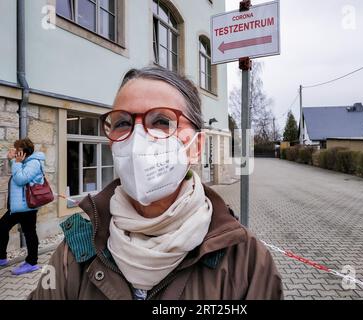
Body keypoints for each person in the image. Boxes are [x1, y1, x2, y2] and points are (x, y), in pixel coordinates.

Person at [29, 67, 283, 300]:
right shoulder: (75, 252)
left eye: (161, 121)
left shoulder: (246, 261)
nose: (138, 139)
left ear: (196, 147)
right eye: (123, 123)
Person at [0, 138, 45, 275]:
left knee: (29, 233)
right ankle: (2, 257)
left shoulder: (34, 163)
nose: (15, 152)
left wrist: (15, 162)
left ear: (24, 152)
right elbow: (14, 175)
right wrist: (11, 160)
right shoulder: (24, 162)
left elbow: (20, 179)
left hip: (27, 207)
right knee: (2, 227)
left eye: (17, 150)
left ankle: (32, 263)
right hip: (18, 206)